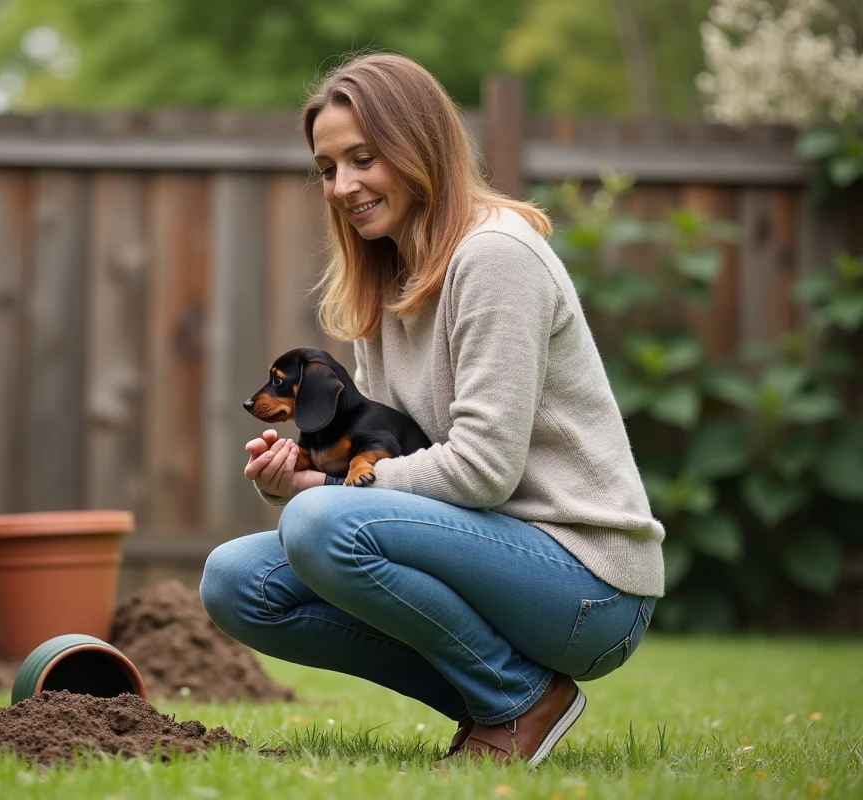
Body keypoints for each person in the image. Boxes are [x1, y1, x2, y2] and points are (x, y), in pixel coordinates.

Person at [198, 52, 664, 769]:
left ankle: (519, 701)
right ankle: (499, 698)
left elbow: (482, 472)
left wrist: (321, 496)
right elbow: (390, 454)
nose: (343, 186)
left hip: (585, 582)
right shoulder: (388, 282)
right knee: (236, 581)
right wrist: (295, 478)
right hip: (481, 551)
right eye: (327, 168)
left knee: (321, 523)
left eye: (363, 158)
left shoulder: (496, 257)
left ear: (419, 147)